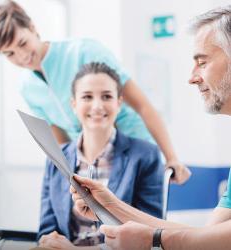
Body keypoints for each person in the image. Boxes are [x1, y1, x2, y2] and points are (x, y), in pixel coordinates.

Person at [60, 5, 231, 250]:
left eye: (202, 62)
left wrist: (157, 239)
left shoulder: (144, 154)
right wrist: (110, 205)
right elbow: (211, 238)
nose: (192, 77)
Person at [0, 0, 191, 184]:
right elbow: (60, 138)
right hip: (92, 163)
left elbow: (142, 106)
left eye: (23, 43)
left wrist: (171, 157)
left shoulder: (84, 52)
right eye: (10, 54)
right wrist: (71, 176)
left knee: (140, 223)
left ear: (32, 27)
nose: (22, 56)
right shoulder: (28, 88)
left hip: (134, 146)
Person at [38, 62, 164, 249]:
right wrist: (48, 242)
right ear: (74, 104)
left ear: (118, 103)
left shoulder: (145, 155)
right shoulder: (55, 159)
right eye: (87, 97)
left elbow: (148, 234)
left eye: (106, 96)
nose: (97, 106)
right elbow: (46, 230)